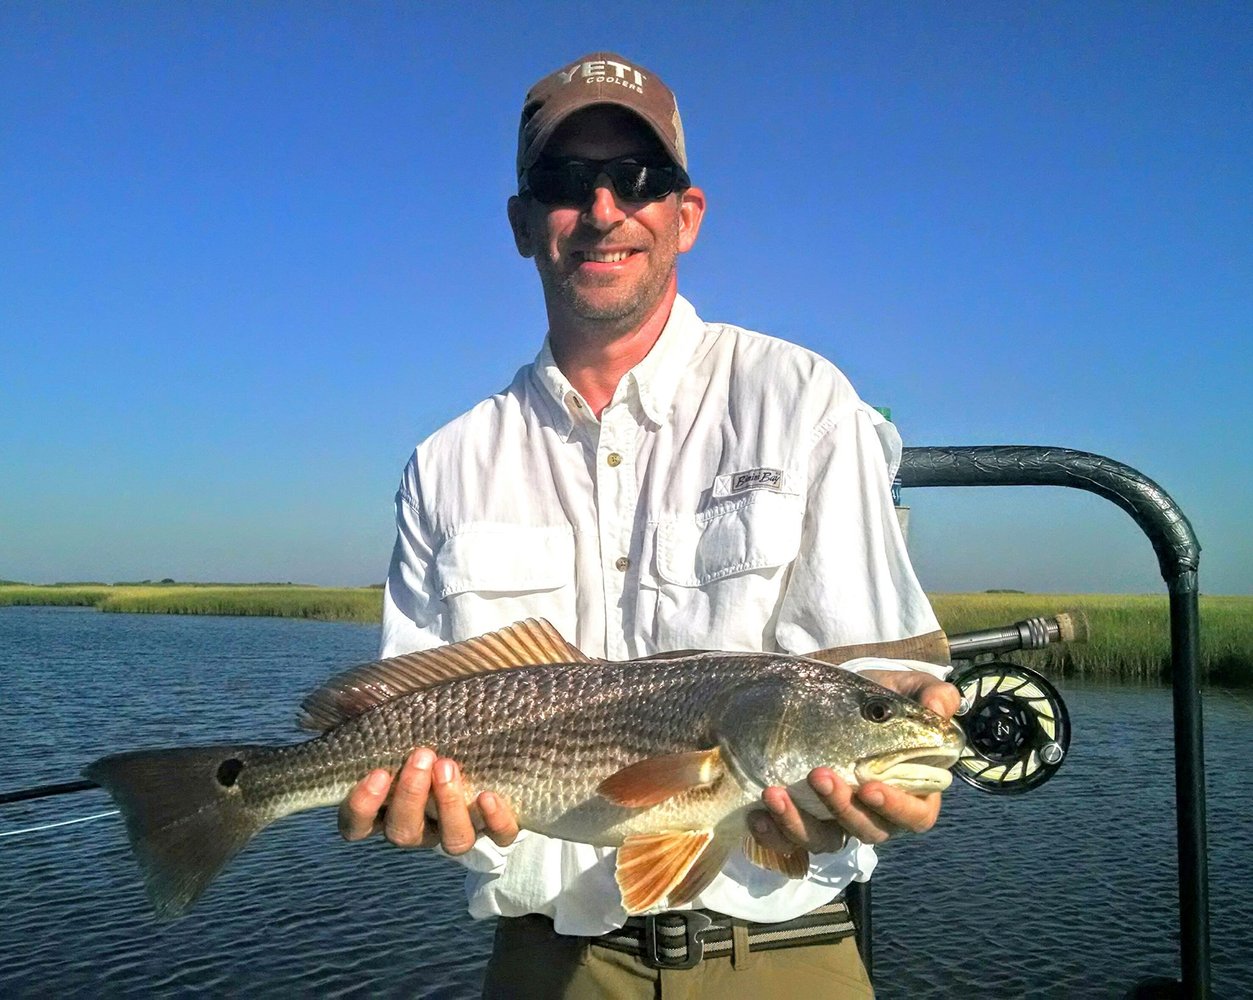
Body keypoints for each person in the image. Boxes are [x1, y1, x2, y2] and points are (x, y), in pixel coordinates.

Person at [339, 52, 959, 998]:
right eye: (563, 180)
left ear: (686, 212)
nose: (602, 208)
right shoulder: (446, 462)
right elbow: (407, 719)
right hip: (547, 962)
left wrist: (892, 769)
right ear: (520, 222)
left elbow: (882, 682)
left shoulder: (801, 401)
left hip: (782, 960)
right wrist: (411, 807)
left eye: (638, 178)